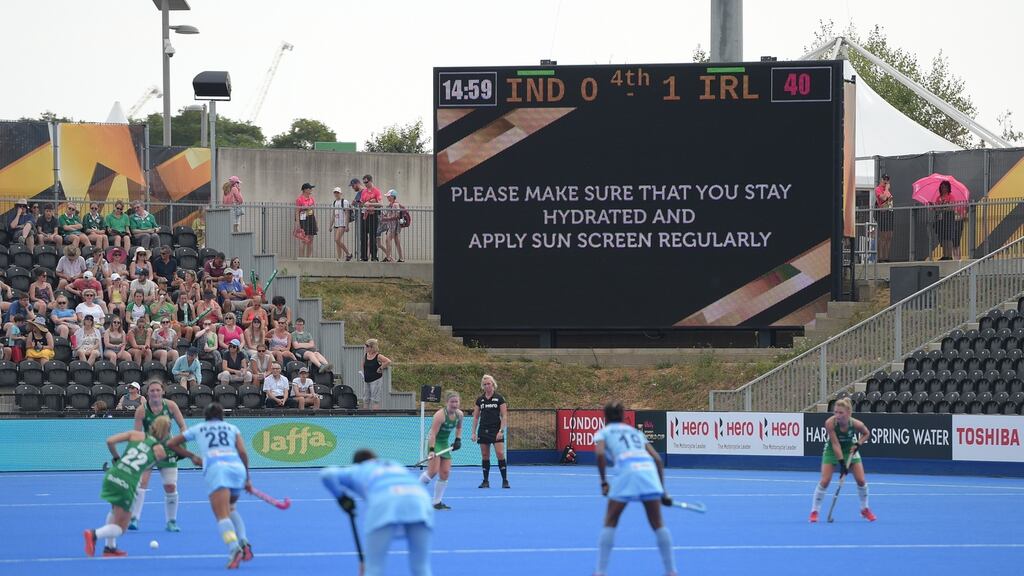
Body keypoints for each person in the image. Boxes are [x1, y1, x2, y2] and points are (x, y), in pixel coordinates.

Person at [593, 401, 676, 576]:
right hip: (648, 473)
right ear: (623, 416)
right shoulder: (636, 433)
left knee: (610, 521)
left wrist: (603, 482)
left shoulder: (604, 432)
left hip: (627, 473)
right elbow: (658, 460)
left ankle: (600, 572)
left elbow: (600, 454)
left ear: (605, 417)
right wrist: (662, 490)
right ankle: (671, 571)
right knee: (658, 523)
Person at [167, 402, 254, 568]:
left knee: (222, 516)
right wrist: (248, 479)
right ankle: (243, 541)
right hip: (237, 469)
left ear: (205, 416)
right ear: (221, 416)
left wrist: (192, 456)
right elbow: (243, 452)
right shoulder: (232, 428)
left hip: (217, 470)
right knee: (231, 508)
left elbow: (171, 444)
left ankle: (234, 548)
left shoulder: (199, 428)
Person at [322, 449, 434, 576]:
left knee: (374, 568)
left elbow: (327, 474)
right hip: (420, 501)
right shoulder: (393, 464)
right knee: (421, 567)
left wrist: (341, 497)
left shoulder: (358, 469)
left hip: (385, 503)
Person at [83, 415, 171, 558]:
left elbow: (110, 441)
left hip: (113, 474)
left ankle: (109, 548)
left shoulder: (135, 434)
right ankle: (94, 534)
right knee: (121, 527)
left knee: (114, 510)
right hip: (127, 481)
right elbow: (148, 466)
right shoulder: (160, 451)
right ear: (166, 432)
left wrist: (117, 458)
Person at [129, 380, 188, 532]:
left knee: (170, 486)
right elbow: (137, 434)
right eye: (152, 390)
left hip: (168, 449)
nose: (155, 393)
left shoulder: (171, 406)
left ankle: (171, 521)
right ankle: (134, 518)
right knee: (141, 482)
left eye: (157, 390)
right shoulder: (141, 410)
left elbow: (182, 426)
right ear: (147, 393)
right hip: (149, 448)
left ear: (162, 392)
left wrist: (182, 440)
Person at [809, 397, 875, 523]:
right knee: (825, 480)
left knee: (861, 480)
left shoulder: (856, 424)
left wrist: (858, 444)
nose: (837, 416)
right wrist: (842, 464)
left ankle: (864, 509)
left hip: (850, 448)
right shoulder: (830, 423)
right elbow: (835, 444)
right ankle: (814, 511)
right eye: (836, 412)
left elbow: (866, 433)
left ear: (848, 413)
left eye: (841, 413)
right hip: (832, 450)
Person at [418, 391, 463, 510]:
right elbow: (433, 434)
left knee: (445, 473)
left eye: (456, 401)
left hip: (444, 443)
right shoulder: (440, 415)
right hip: (435, 442)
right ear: (447, 402)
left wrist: (458, 439)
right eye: (452, 402)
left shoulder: (459, 415)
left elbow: (459, 428)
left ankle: (436, 502)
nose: (454, 404)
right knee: (432, 471)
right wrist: (432, 450)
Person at [472, 374, 509, 489]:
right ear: (483, 386)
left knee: (500, 453)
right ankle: (485, 481)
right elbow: (476, 417)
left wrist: (501, 430)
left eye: (489, 384)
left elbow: (504, 416)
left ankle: (505, 480)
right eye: (485, 384)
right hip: (483, 430)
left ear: (493, 384)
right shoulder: (480, 400)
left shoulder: (499, 398)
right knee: (485, 455)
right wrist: (473, 432)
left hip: (496, 430)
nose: (487, 386)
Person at [363, 338, 391, 410]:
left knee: (375, 399)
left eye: (367, 346)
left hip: (376, 379)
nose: (366, 347)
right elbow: (364, 364)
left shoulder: (378, 356)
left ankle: (375, 415)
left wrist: (381, 368)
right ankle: (364, 415)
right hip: (367, 379)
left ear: (372, 347)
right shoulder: (366, 355)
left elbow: (388, 361)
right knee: (366, 398)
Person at [360, 175, 383, 261]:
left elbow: (380, 204)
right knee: (363, 236)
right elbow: (362, 202)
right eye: (364, 182)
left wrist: (371, 204)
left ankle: (374, 256)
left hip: (373, 215)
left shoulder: (376, 191)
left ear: (370, 181)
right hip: (365, 215)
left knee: (372, 237)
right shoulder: (364, 191)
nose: (365, 184)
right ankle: (363, 256)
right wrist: (361, 203)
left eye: (366, 182)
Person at [379, 190, 406, 263]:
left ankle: (388, 257)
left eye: (389, 196)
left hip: (393, 225)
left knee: (388, 239)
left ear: (393, 197)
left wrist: (386, 218)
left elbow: (397, 215)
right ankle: (401, 258)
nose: (387, 197)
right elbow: (388, 214)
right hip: (392, 225)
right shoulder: (391, 205)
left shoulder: (395, 205)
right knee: (396, 241)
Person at [295, 182, 318, 258]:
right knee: (304, 240)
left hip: (311, 218)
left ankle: (309, 258)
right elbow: (297, 211)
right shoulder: (299, 199)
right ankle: (302, 258)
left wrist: (315, 222)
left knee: (311, 239)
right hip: (303, 220)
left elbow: (313, 209)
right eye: (309, 188)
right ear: (305, 190)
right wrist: (298, 223)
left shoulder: (311, 199)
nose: (311, 190)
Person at [331, 186, 353, 261]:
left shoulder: (345, 202)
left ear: (341, 193)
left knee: (337, 240)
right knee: (337, 242)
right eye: (335, 192)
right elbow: (333, 215)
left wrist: (347, 225)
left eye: (338, 192)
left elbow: (347, 214)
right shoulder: (334, 202)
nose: (336, 194)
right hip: (336, 224)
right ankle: (339, 258)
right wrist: (331, 225)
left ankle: (348, 253)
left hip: (342, 224)